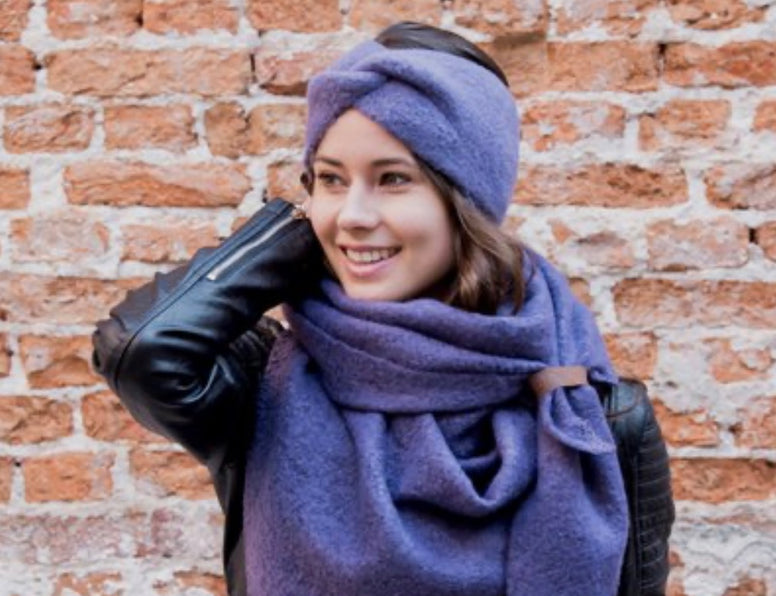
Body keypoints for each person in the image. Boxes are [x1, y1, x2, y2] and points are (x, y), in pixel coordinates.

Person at [92, 21, 674, 596]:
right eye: (330, 179)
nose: (352, 215)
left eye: (393, 179)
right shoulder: (263, 385)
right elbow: (143, 350)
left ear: (467, 201)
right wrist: (295, 237)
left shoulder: (592, 417)